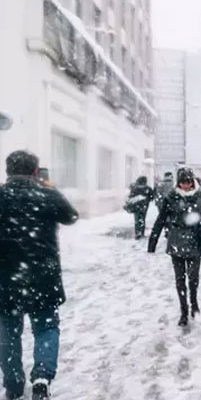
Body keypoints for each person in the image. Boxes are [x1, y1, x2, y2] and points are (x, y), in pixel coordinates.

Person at [0, 150, 79, 400]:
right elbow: (71, 216)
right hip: (43, 276)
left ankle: (12, 383)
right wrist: (48, 189)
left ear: (8, 171)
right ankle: (42, 377)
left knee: (8, 331)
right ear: (35, 171)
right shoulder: (46, 194)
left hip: (6, 277)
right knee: (46, 328)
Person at [148, 168, 201, 326]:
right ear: (178, 182)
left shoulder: (200, 196)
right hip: (176, 242)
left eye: (189, 182)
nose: (186, 186)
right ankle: (184, 311)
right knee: (180, 279)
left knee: (193, 278)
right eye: (183, 182)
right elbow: (161, 220)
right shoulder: (171, 197)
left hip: (195, 241)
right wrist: (152, 243)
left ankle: (194, 303)